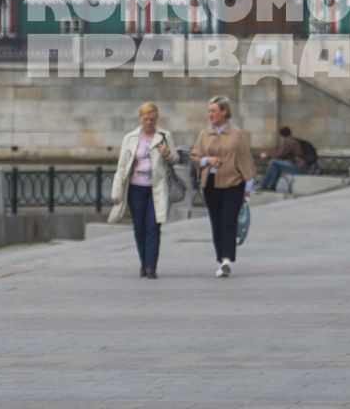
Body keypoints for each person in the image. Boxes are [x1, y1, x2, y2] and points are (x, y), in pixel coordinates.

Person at [108, 102, 180, 277]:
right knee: (139, 227)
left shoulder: (164, 136)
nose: (149, 122)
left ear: (157, 119)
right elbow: (122, 167)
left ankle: (151, 267)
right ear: (140, 118)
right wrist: (116, 191)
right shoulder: (131, 138)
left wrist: (167, 154)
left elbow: (175, 159)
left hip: (156, 187)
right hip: (136, 188)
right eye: (146, 119)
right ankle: (143, 261)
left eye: (152, 119)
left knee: (154, 227)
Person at [191, 96, 255, 278]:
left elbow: (245, 160)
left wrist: (248, 189)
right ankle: (221, 259)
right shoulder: (204, 134)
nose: (210, 114)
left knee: (228, 220)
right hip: (210, 184)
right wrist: (207, 160)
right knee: (216, 222)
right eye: (209, 111)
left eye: (213, 111)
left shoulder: (236, 134)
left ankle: (227, 258)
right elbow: (195, 156)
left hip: (233, 183)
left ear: (224, 112)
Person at [257, 126, 311, 191]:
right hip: (301, 166)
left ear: (281, 135)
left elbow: (281, 154)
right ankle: (271, 185)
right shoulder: (293, 140)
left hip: (299, 168)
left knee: (273, 162)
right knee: (276, 165)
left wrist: (267, 156)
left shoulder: (289, 142)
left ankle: (264, 184)